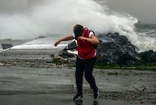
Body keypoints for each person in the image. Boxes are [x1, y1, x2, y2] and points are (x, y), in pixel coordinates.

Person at [54, 24, 99, 101]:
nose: (78, 37)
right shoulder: (77, 34)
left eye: (79, 35)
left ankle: (95, 89)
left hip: (90, 58)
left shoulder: (89, 33)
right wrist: (60, 40)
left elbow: (96, 41)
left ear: (83, 31)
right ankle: (79, 94)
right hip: (81, 57)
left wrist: (85, 38)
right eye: (77, 35)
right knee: (78, 75)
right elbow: (70, 37)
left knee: (88, 76)